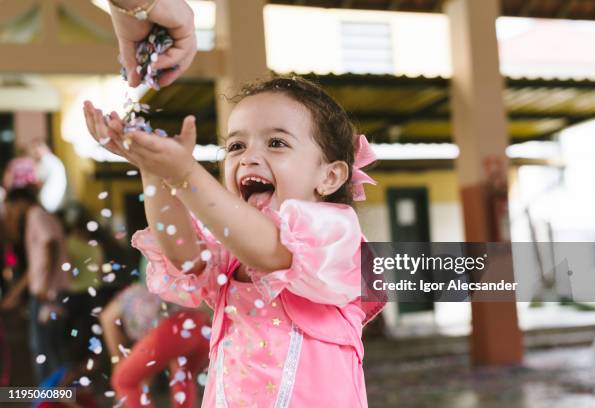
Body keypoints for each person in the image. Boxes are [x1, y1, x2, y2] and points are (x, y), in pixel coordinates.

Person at [84, 73, 385, 406]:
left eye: (276, 143)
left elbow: (270, 251)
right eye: (236, 145)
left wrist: (185, 174)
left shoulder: (333, 234)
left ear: (329, 177)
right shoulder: (232, 250)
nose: (248, 157)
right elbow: (184, 255)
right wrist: (154, 171)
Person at [0, 158, 71, 384]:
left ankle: (52, 398)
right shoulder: (38, 215)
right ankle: (54, 397)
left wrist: (45, 286)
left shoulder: (35, 215)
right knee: (45, 347)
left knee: (45, 348)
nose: (10, 213)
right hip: (45, 290)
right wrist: (16, 294)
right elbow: (36, 265)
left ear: (19, 202)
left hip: (48, 292)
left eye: (11, 208)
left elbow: (50, 247)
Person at [100, 282, 211, 408]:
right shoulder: (147, 288)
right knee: (183, 377)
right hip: (202, 325)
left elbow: (107, 318)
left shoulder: (125, 299)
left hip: (174, 327)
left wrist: (118, 362)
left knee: (122, 380)